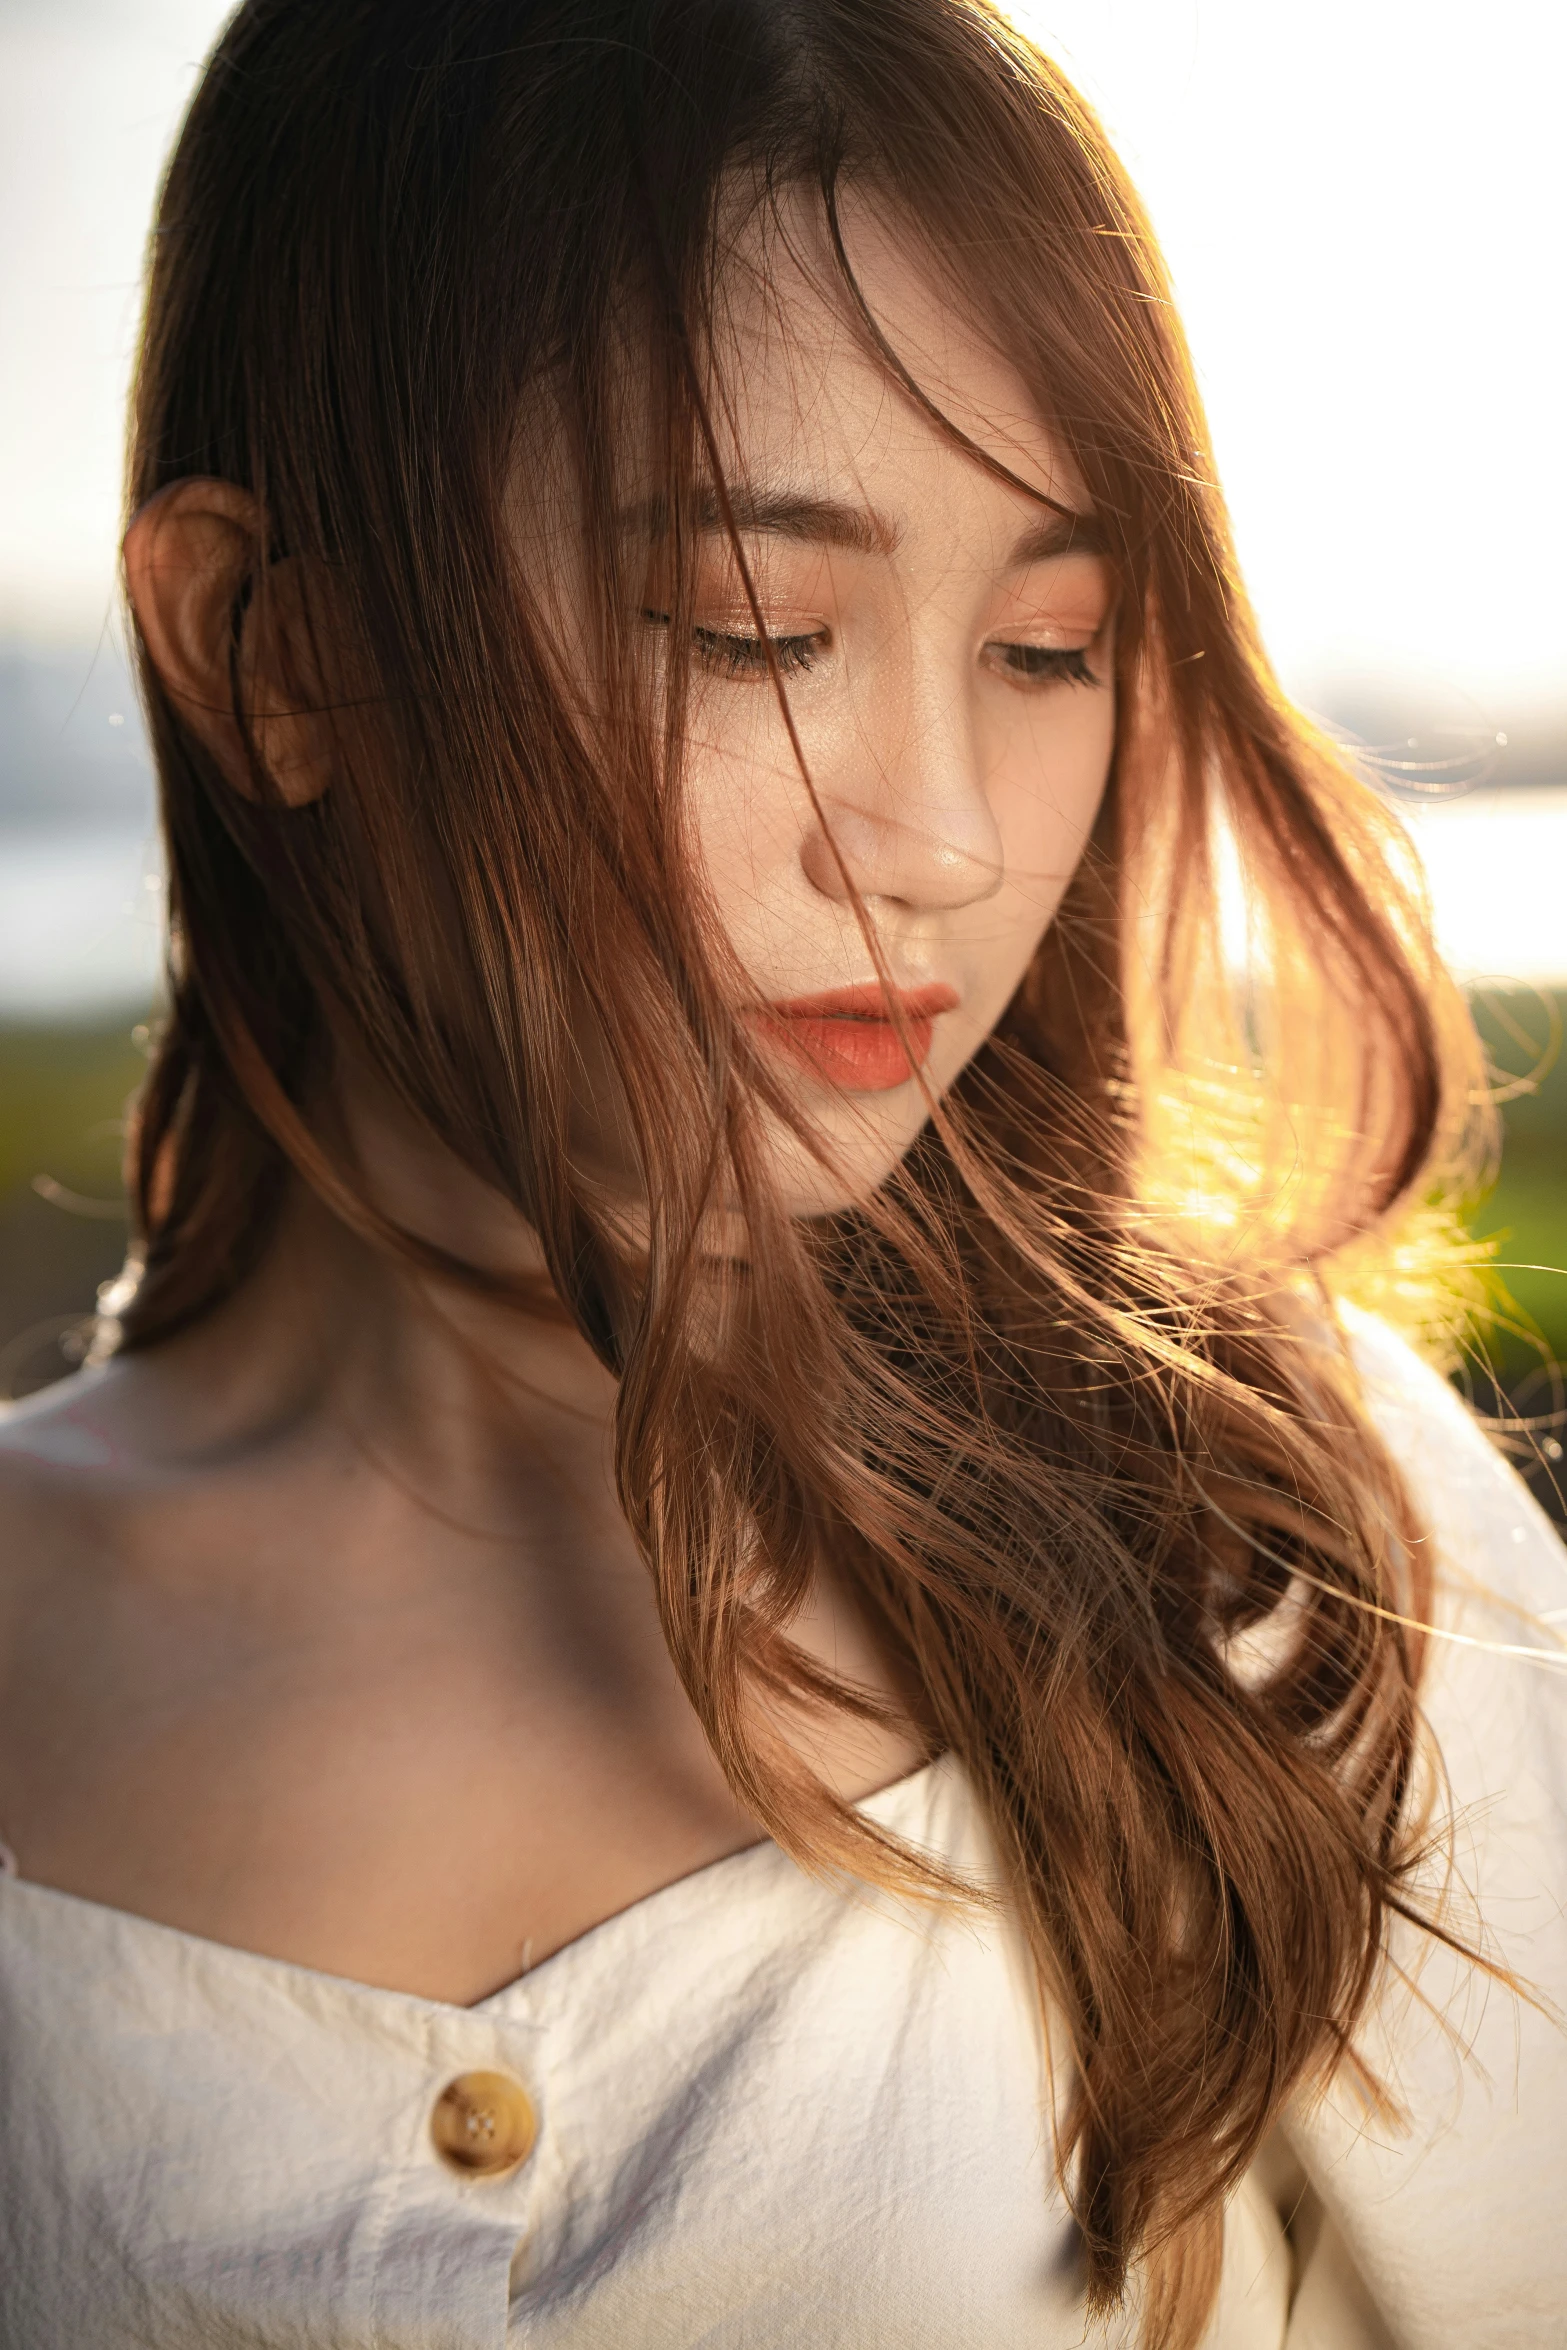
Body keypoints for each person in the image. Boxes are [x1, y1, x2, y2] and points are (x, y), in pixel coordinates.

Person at [0, 1, 1562, 2343]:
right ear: (267, 647)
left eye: (1053, 644)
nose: (940, 839)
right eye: (755, 629)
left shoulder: (1277, 1533)